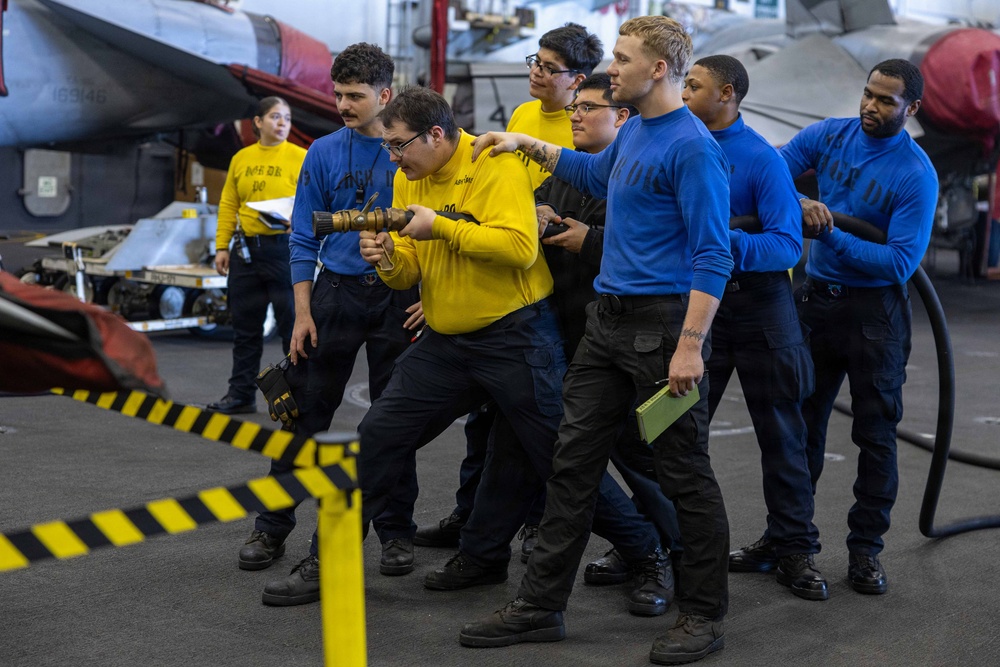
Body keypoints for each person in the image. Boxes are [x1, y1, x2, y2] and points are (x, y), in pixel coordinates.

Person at [462, 16, 733, 665]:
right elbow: (592, 173)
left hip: (662, 330)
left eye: (621, 57)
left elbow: (714, 255)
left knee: (683, 474)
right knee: (571, 464)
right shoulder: (635, 129)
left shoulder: (693, 149)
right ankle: (540, 605)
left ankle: (702, 614)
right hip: (607, 325)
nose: (611, 68)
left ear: (658, 69)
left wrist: (689, 346)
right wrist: (523, 143)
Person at [355, 85, 567, 598]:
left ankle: (647, 552)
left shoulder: (493, 163)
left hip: (515, 334)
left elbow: (520, 249)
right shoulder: (408, 177)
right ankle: (328, 558)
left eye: (399, 145)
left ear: (436, 134)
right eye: (387, 146)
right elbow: (409, 272)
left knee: (559, 462)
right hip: (447, 341)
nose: (393, 157)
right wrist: (386, 258)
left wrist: (442, 228)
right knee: (377, 435)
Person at [414, 22, 604, 558]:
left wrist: (543, 213)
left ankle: (538, 522)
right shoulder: (521, 117)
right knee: (486, 416)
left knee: (543, 420)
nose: (536, 73)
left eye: (549, 67)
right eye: (534, 62)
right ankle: (470, 513)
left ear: (578, 80)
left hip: (562, 282)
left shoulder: (588, 131)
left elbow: (584, 200)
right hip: (508, 270)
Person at [244, 43, 422, 607]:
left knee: (395, 418)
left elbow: (440, 229)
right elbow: (302, 237)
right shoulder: (321, 152)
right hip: (335, 294)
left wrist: (430, 298)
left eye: (355, 95)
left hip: (399, 297)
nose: (342, 104)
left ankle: (396, 532)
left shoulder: (412, 150)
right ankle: (272, 526)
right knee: (304, 413)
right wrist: (301, 312)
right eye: (338, 94)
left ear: (385, 95)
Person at [779, 58, 937, 595]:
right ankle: (789, 542)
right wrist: (801, 200)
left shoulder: (915, 173)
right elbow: (770, 171)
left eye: (886, 100)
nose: (871, 106)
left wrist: (829, 233)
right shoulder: (829, 135)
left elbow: (899, 262)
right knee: (798, 425)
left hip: (876, 316)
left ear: (911, 109)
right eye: (869, 93)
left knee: (875, 435)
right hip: (816, 303)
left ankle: (866, 551)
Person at [681, 55, 826, 601]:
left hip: (762, 308)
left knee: (783, 435)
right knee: (678, 431)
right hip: (702, 305)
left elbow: (787, 246)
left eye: (693, 85)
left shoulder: (761, 158)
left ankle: (792, 549)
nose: (683, 93)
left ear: (726, 94)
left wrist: (721, 241)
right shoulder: (678, 145)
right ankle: (658, 544)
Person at [207, 96, 304, 415]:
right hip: (246, 253)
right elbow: (228, 204)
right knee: (245, 331)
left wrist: (300, 219)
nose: (282, 123)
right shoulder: (242, 158)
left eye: (287, 118)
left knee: (292, 330)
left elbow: (316, 201)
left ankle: (299, 396)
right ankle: (240, 395)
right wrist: (222, 247)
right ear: (258, 122)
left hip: (284, 251)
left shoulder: (301, 157)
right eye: (275, 117)